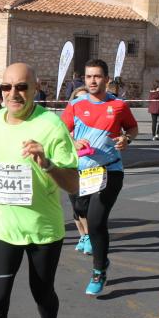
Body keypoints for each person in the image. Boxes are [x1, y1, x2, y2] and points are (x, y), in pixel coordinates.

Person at [0, 63, 79, 318]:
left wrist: (47, 163)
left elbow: (73, 184)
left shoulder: (51, 126)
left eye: (21, 87)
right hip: (2, 228)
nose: (13, 93)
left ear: (35, 87)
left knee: (42, 293)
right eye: (7, 87)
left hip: (42, 230)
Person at [61, 59, 138, 295]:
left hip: (110, 170)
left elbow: (132, 128)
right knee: (80, 211)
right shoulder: (75, 105)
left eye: (96, 76)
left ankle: (98, 271)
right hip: (83, 171)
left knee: (96, 221)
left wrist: (127, 139)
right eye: (88, 77)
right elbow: (61, 131)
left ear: (106, 79)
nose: (92, 81)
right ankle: (103, 260)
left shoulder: (118, 105)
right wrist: (73, 142)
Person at [66, 86, 92, 255]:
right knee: (75, 205)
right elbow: (61, 133)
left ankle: (89, 237)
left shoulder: (92, 120)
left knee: (83, 204)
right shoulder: (69, 118)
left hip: (89, 166)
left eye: (85, 98)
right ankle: (82, 236)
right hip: (71, 164)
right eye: (78, 98)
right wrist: (73, 141)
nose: (82, 101)